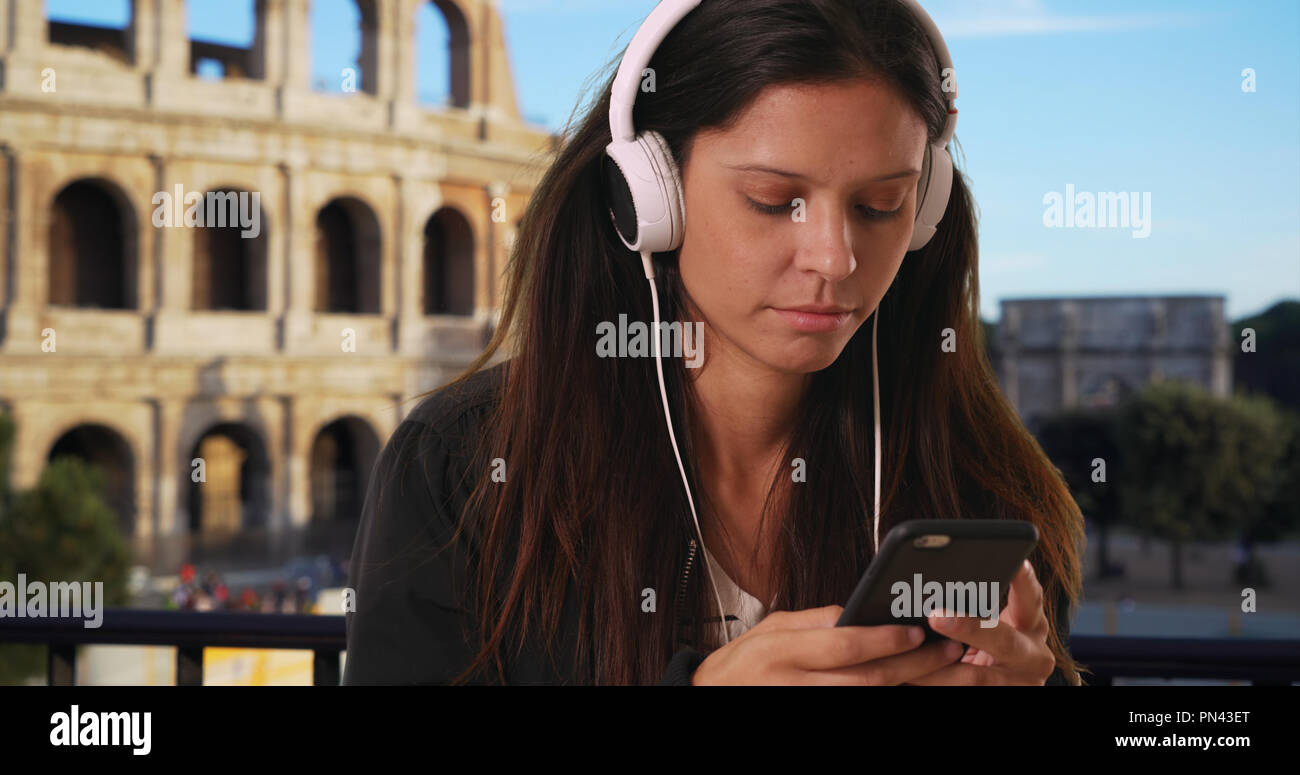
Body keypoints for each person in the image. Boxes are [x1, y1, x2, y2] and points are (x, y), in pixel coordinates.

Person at [344, 0, 1085, 686]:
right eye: (772, 201)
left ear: (925, 209)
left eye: (881, 205)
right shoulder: (460, 470)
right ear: (647, 196)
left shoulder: (978, 480)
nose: (835, 258)